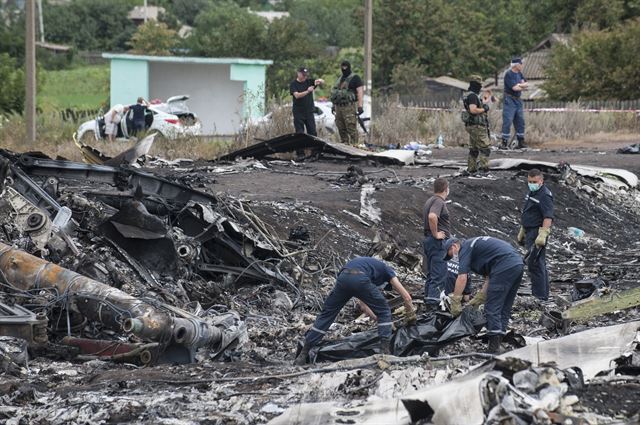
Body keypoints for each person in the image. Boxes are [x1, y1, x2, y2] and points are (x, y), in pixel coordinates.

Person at [294, 256, 415, 365]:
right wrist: (411, 315)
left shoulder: (368, 267)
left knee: (327, 314)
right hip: (359, 277)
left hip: (343, 277)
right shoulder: (388, 271)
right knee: (385, 310)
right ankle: (385, 354)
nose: (381, 288)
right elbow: (406, 297)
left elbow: (364, 306)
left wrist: (382, 322)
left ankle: (304, 353)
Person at [443, 236, 524, 353]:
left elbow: (462, 277)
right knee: (504, 307)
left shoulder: (464, 249)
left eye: (450, 254)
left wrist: (455, 300)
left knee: (492, 308)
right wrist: (479, 297)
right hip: (517, 264)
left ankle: (493, 349)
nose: (452, 258)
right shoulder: (476, 247)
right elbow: (489, 277)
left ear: (454, 246)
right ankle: (498, 342)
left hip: (504, 265)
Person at [517, 168, 553, 301]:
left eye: (534, 181)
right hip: (530, 231)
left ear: (541, 181)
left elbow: (548, 217)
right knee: (537, 263)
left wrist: (543, 234)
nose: (531, 183)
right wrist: (523, 229)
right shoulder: (532, 192)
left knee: (535, 264)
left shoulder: (544, 195)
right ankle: (542, 294)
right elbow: (529, 211)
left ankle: (540, 296)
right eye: (529, 181)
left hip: (537, 232)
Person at [422, 178, 451, 308]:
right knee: (439, 275)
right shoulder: (439, 201)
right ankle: (433, 308)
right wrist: (436, 234)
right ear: (446, 189)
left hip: (429, 241)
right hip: (436, 242)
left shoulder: (429, 200)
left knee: (431, 275)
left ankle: (428, 302)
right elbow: (432, 216)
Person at [330, 60, 364, 146]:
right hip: (338, 107)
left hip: (349, 107)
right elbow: (337, 93)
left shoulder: (355, 78)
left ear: (349, 67)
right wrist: (333, 106)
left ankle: (355, 145)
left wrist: (360, 106)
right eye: (342, 67)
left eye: (345, 67)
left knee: (351, 127)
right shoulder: (339, 79)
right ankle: (345, 145)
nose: (344, 68)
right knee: (340, 127)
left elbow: (360, 92)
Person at [462, 75, 491, 174]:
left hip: (472, 125)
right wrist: (484, 109)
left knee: (474, 148)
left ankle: (472, 169)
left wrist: (485, 101)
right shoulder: (472, 96)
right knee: (485, 148)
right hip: (477, 126)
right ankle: (485, 169)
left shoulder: (469, 95)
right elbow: (473, 110)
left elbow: (477, 104)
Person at [500, 57, 528, 150]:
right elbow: (514, 88)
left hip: (518, 99)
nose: (522, 65)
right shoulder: (508, 74)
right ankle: (504, 142)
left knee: (520, 121)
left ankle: (521, 141)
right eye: (521, 64)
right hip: (509, 99)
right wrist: (521, 85)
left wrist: (520, 85)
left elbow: (526, 84)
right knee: (508, 120)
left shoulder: (520, 73)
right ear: (516, 65)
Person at [290, 67, 324, 136]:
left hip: (309, 112)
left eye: (306, 75)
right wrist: (307, 91)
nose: (305, 77)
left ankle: (312, 146)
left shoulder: (309, 81)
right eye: (303, 75)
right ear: (298, 74)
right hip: (298, 112)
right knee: (300, 133)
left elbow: (321, 81)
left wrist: (320, 81)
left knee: (313, 132)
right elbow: (297, 96)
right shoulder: (293, 84)